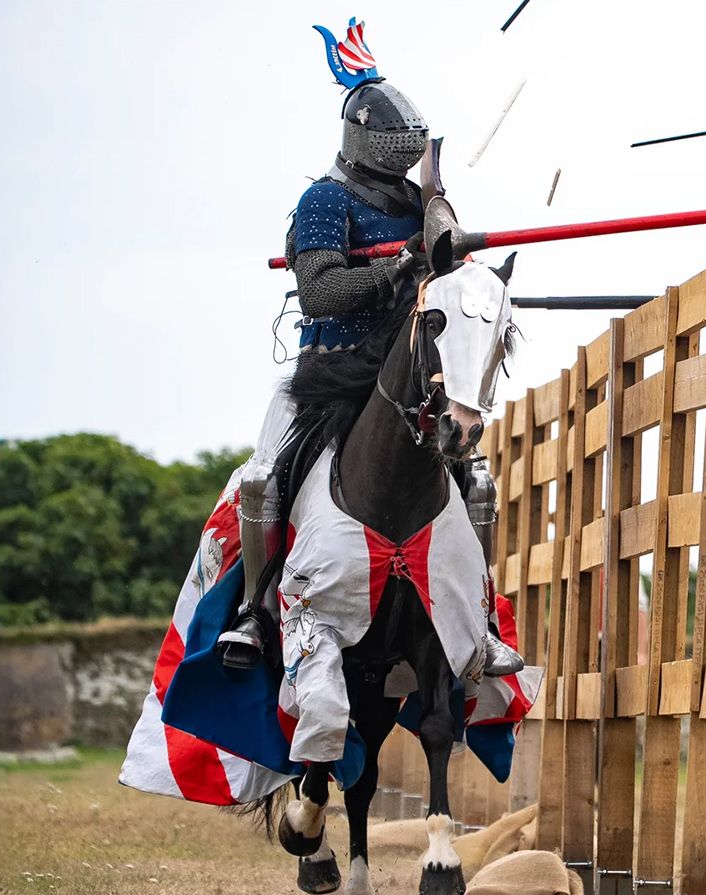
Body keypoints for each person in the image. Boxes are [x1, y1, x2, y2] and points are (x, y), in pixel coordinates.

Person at [217, 17, 522, 678]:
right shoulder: (324, 201)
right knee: (266, 474)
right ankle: (257, 610)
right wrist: (396, 265)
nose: (405, 156)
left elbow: (447, 281)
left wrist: (442, 235)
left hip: (402, 375)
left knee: (475, 481)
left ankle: (483, 617)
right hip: (328, 375)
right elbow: (323, 290)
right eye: (395, 144)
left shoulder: (418, 201)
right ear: (366, 141)